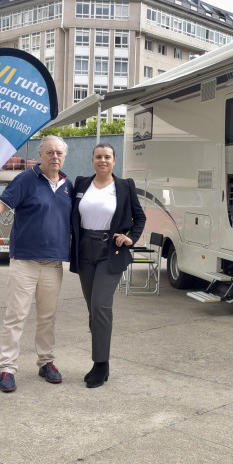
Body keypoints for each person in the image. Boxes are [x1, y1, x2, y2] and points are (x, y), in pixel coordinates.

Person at [0, 136, 72, 394]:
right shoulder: (26, 179)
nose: (54, 156)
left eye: (59, 152)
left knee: (47, 317)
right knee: (16, 316)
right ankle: (7, 368)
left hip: (53, 263)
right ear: (41, 155)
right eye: (49, 152)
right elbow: (2, 204)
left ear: (64, 156)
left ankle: (46, 362)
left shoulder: (68, 185)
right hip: (25, 261)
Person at [69, 143, 146, 388]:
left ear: (114, 161)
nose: (103, 160)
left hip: (110, 251)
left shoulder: (124, 186)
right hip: (84, 251)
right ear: (92, 160)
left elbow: (140, 217)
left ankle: (100, 363)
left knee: (101, 305)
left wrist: (131, 237)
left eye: (107, 157)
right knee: (93, 309)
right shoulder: (81, 183)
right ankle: (101, 357)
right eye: (98, 156)